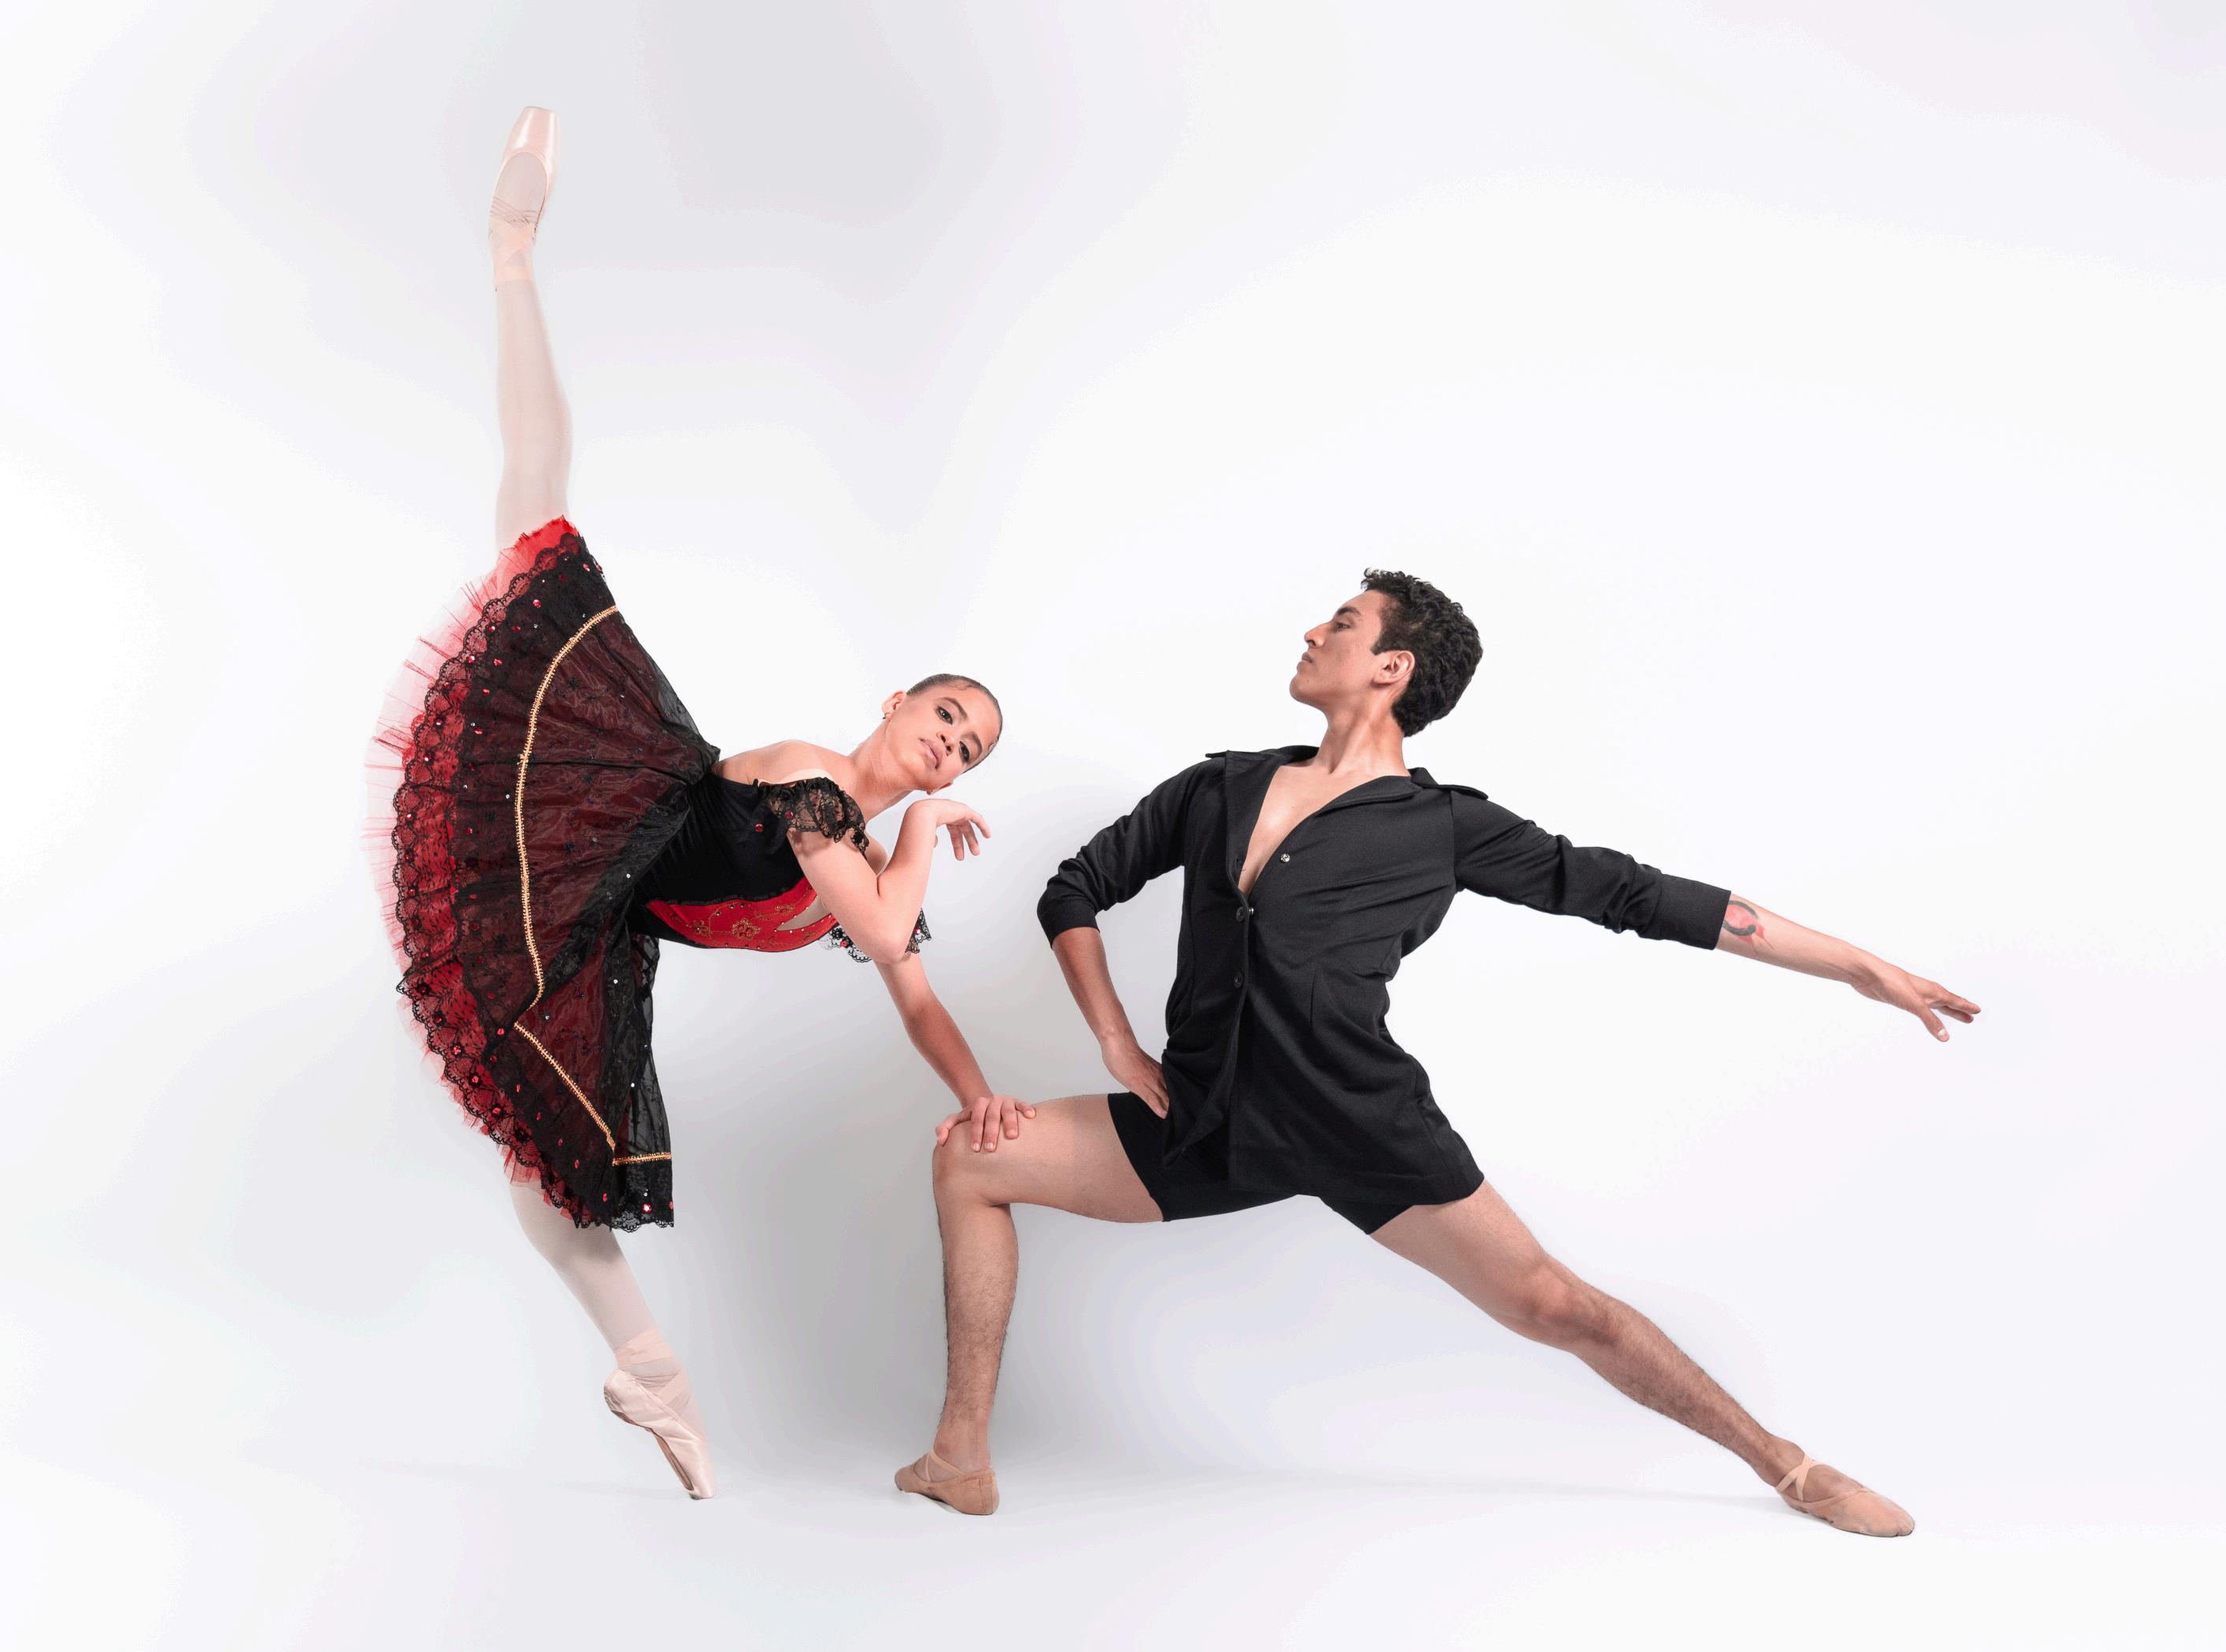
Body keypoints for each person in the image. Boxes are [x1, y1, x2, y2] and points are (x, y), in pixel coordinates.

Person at [895, 570, 1977, 1536]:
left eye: (1342, 622)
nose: (1312, 631)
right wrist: (1118, 1042)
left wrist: (1855, 965)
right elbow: (1074, 889)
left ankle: (1786, 1466)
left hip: (1354, 1119)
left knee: (1556, 1306)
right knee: (968, 1163)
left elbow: (1639, 896)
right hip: (1204, 1120)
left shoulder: (1444, 825)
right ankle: (960, 1458)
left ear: (1392, 667)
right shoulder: (1218, 786)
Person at [372, 108, 1021, 1501]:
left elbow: (905, 982)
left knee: (549, 1167)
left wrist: (976, 1094)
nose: (946, 752)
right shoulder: (818, 794)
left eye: (965, 755)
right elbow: (888, 939)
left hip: (624, 926)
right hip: (605, 817)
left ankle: (649, 1372)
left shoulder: (857, 836)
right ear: (898, 700)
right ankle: (510, 254)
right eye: (943, 719)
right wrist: (921, 839)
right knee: (537, 526)